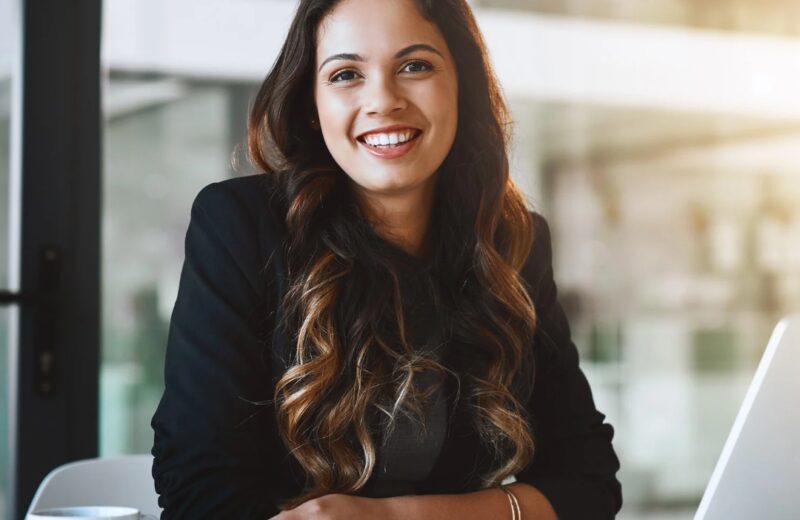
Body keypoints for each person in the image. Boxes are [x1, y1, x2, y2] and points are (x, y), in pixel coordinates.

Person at [150, 0, 623, 518]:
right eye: (346, 74)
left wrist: (392, 518)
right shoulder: (238, 226)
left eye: (415, 66)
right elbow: (196, 489)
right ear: (312, 103)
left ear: (461, 83)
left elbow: (588, 483)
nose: (383, 100)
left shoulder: (513, 241)